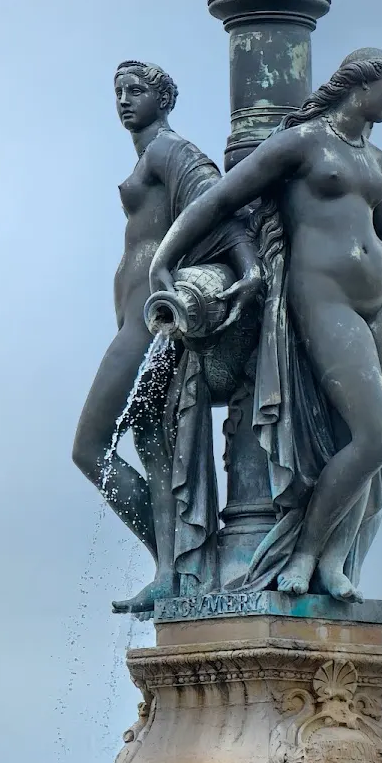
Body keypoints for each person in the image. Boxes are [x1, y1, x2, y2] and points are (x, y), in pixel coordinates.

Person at [150, 47, 382, 601]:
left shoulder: (377, 161)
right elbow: (222, 199)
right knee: (373, 437)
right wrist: (166, 256)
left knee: (368, 445)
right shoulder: (301, 144)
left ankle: (333, 561)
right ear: (362, 83)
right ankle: (304, 551)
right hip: (323, 297)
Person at [72, 60, 260, 614]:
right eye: (119, 92)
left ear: (164, 99)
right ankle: (174, 567)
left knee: (90, 448)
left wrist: (249, 266)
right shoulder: (148, 156)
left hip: (149, 323)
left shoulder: (169, 151)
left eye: (137, 90)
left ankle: (179, 561)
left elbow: (218, 205)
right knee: (151, 443)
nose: (125, 100)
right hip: (138, 320)